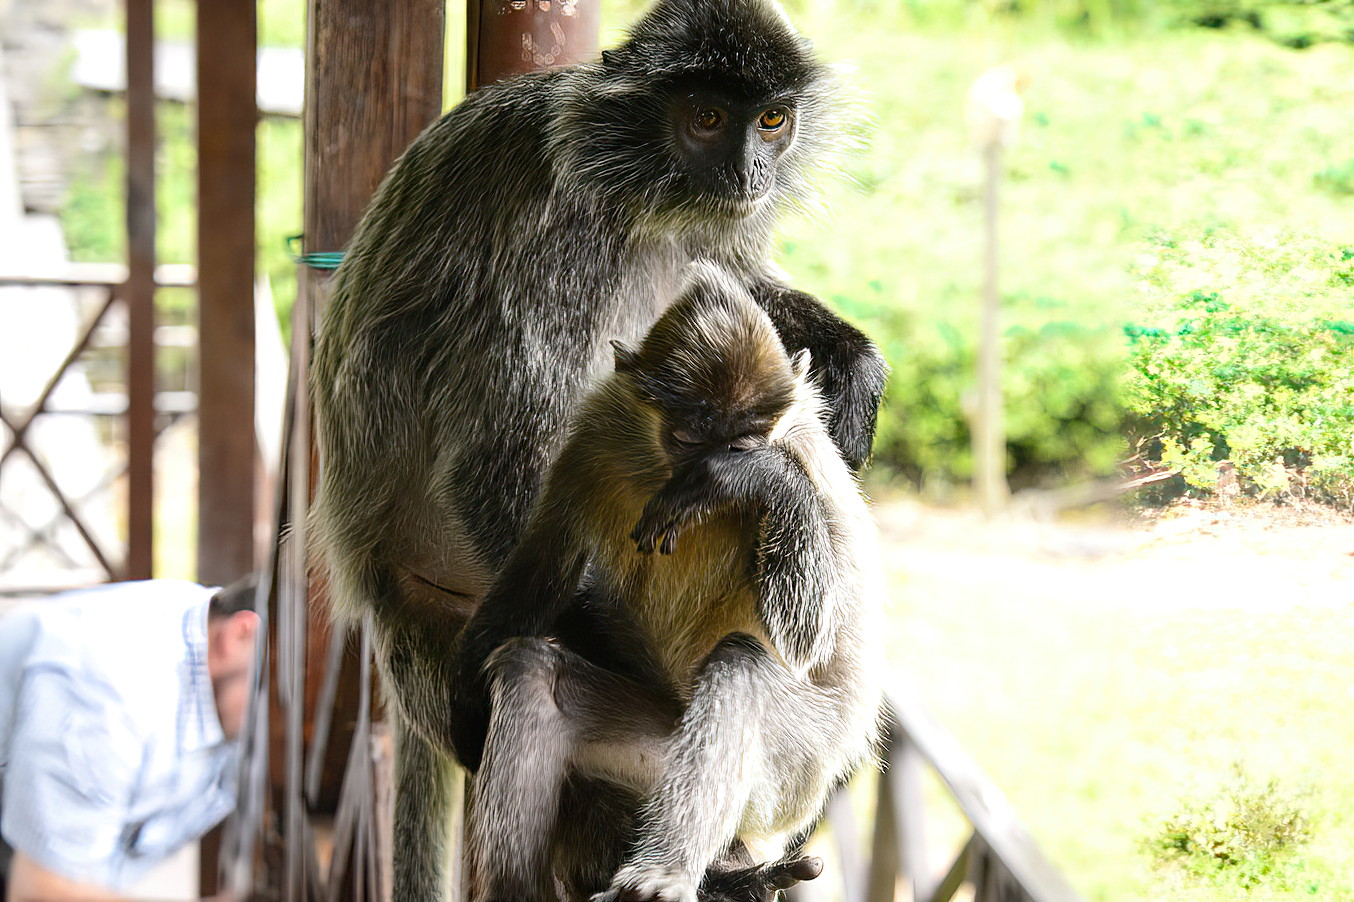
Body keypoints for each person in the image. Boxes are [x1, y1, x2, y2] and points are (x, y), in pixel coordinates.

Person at [0, 576, 261, 901]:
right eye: (287, 689)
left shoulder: (212, 655)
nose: (285, 721)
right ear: (239, 634)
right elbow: (38, 892)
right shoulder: (111, 688)